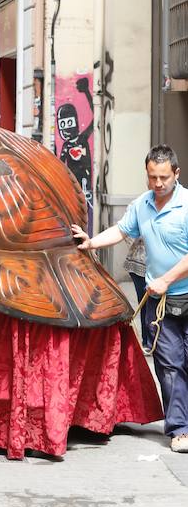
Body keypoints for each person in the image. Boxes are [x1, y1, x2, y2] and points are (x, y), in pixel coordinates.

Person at [72, 144, 188, 454]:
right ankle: (180, 428)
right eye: (153, 177)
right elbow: (122, 231)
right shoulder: (142, 205)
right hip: (159, 302)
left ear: (176, 174)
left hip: (180, 292)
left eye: (164, 177)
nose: (158, 183)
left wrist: (167, 278)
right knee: (169, 365)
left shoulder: (187, 205)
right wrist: (92, 242)